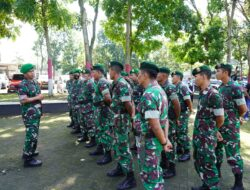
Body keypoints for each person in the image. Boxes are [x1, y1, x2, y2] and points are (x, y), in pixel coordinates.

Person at [135, 61, 172, 190]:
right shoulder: (160, 91)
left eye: (139, 74)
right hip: (155, 140)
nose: (137, 77)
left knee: (150, 177)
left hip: (149, 142)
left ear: (145, 75)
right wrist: (165, 139)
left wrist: (163, 142)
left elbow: (155, 125)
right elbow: (165, 119)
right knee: (155, 172)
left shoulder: (149, 95)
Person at [192, 65, 224, 190]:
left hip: (206, 137)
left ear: (204, 76)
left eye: (196, 76)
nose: (194, 78)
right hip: (199, 135)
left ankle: (213, 186)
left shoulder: (213, 94)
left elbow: (220, 118)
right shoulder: (202, 93)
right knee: (199, 162)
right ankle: (206, 185)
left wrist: (213, 131)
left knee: (208, 164)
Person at [215, 64, 247, 190]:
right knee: (217, 151)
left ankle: (239, 184)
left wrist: (234, 118)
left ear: (225, 72)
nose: (216, 73)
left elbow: (243, 109)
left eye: (218, 71)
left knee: (233, 155)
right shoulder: (221, 87)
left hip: (230, 128)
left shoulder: (235, 87)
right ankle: (216, 175)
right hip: (219, 126)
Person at [107, 61, 136, 190]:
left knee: (124, 147)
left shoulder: (122, 85)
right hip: (116, 119)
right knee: (117, 145)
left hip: (122, 120)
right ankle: (120, 168)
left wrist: (133, 119)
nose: (108, 73)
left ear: (114, 71)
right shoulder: (116, 83)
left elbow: (129, 105)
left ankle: (131, 178)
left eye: (109, 70)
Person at [157, 66, 181, 179]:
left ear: (164, 76)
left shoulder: (170, 87)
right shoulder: (159, 86)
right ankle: (165, 162)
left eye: (158, 73)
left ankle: (172, 168)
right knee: (163, 140)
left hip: (169, 120)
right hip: (162, 120)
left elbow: (176, 104)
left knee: (169, 141)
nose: (156, 75)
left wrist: (176, 118)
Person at [18, 63, 44, 167]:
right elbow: (23, 100)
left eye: (33, 71)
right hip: (29, 115)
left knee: (34, 134)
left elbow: (37, 99)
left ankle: (29, 151)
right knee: (31, 135)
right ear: (25, 73)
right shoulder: (22, 85)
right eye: (30, 71)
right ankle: (28, 160)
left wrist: (40, 111)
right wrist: (37, 97)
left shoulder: (34, 82)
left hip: (35, 113)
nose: (32, 73)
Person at [90, 64, 114, 165]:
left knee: (105, 132)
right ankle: (100, 148)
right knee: (100, 131)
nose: (92, 74)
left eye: (94, 72)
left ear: (99, 72)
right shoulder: (99, 82)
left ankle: (108, 155)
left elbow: (108, 98)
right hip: (99, 110)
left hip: (103, 111)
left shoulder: (102, 82)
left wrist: (104, 106)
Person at [171, 71, 193, 162]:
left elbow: (188, 100)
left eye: (174, 76)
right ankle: (180, 148)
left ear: (179, 77)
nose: (172, 78)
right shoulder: (174, 87)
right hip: (176, 113)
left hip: (182, 114)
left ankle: (187, 152)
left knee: (182, 132)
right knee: (177, 132)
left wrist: (190, 110)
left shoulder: (182, 86)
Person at [77, 69, 96, 147]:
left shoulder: (91, 83)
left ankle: (93, 140)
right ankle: (85, 136)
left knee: (90, 124)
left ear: (89, 75)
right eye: (83, 74)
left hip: (89, 107)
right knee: (83, 123)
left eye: (85, 74)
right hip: (82, 107)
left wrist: (93, 106)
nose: (83, 75)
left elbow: (94, 96)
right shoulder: (83, 83)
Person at [129, 68, 144, 151]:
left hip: (141, 112)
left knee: (140, 129)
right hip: (135, 111)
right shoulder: (134, 85)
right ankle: (136, 144)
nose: (130, 77)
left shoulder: (142, 86)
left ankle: (140, 146)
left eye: (132, 75)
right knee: (135, 129)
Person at [70, 68, 82, 135]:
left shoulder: (81, 82)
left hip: (78, 102)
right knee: (74, 116)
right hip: (73, 102)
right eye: (74, 74)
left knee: (79, 117)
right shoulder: (73, 82)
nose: (75, 75)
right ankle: (77, 128)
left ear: (79, 74)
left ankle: (80, 129)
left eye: (76, 73)